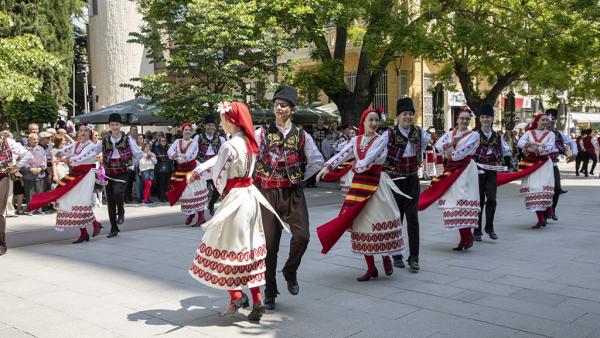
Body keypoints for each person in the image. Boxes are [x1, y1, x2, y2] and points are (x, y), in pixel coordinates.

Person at [189, 101, 285, 322]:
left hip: (235, 200)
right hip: (251, 197)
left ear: (230, 120)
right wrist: (199, 171)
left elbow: (218, 175)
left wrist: (223, 193)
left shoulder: (228, 146)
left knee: (224, 246)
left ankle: (235, 296)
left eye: (222, 119)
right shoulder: (251, 143)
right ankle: (256, 297)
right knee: (248, 249)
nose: (221, 124)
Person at [254, 85, 324, 310]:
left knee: (302, 236)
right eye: (275, 105)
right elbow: (248, 155)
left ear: (291, 109)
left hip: (292, 192)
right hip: (267, 194)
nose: (278, 108)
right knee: (270, 245)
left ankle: (290, 270)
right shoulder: (262, 133)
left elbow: (317, 161)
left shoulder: (302, 136)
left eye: (282, 105)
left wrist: (300, 177)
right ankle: (270, 291)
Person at [316, 108, 407, 281]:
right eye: (370, 120)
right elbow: (342, 155)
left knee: (379, 221)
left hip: (376, 187)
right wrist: (327, 167)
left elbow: (371, 161)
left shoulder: (382, 141)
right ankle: (371, 268)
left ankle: (386, 257)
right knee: (362, 224)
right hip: (359, 187)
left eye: (376, 120)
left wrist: (358, 166)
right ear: (363, 122)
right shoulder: (356, 140)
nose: (373, 123)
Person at [27, 124, 103, 243]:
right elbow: (61, 151)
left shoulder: (92, 146)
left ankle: (92, 227)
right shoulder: (76, 144)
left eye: (85, 131)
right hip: (77, 173)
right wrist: (59, 153)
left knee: (81, 202)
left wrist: (68, 158)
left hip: (87, 174)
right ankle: (87, 230)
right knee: (67, 198)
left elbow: (81, 158)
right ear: (78, 133)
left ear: (90, 134)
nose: (82, 133)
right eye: (81, 131)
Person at [418, 108, 480, 250]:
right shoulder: (450, 134)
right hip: (451, 169)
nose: (464, 121)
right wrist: (451, 143)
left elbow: (466, 151)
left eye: (466, 118)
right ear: (457, 120)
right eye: (461, 118)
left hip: (466, 169)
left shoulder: (474, 135)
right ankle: (463, 237)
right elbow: (438, 147)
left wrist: (451, 155)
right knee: (454, 202)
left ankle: (467, 236)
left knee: (464, 200)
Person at [384, 98, 430, 271]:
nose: (408, 117)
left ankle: (414, 257)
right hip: (395, 181)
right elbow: (381, 153)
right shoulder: (389, 134)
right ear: (398, 117)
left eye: (410, 114)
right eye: (405, 114)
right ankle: (396, 254)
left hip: (412, 179)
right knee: (396, 218)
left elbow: (424, 146)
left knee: (412, 217)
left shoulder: (419, 132)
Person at [498, 113, 556, 229]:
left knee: (544, 188)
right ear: (537, 121)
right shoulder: (529, 133)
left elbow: (549, 148)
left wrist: (534, 148)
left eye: (546, 120)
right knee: (534, 188)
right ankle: (541, 219)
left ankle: (548, 209)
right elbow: (520, 143)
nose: (545, 122)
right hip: (530, 163)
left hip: (544, 163)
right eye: (543, 120)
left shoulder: (551, 134)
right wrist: (531, 144)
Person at [472, 104, 512, 242]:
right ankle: (477, 229)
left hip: (492, 170)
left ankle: (489, 227)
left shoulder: (497, 136)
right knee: (479, 201)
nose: (485, 119)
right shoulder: (474, 135)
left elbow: (506, 150)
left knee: (492, 200)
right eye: (482, 117)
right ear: (479, 119)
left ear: (492, 118)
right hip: (477, 171)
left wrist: (508, 165)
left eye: (487, 117)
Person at [101, 113, 143, 238]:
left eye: (117, 124)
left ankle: (122, 209)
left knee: (118, 192)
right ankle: (114, 228)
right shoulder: (105, 140)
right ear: (109, 126)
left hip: (122, 171)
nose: (115, 127)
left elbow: (139, 153)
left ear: (121, 125)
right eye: (113, 124)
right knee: (110, 201)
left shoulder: (127, 139)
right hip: (109, 171)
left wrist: (131, 164)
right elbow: (93, 150)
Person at [166, 123, 208, 226]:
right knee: (184, 193)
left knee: (194, 192)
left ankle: (201, 217)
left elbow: (188, 156)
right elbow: (170, 150)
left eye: (189, 130)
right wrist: (173, 154)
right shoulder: (177, 141)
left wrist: (177, 156)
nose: (188, 132)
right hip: (181, 169)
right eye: (186, 130)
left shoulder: (194, 143)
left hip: (192, 169)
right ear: (182, 131)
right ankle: (191, 214)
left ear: (191, 131)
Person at [0, 133, 33, 255]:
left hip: (1, 178)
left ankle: (1, 245)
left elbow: (27, 154)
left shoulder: (6, 141)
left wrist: (14, 167)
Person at [545, 108, 576, 221]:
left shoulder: (558, 133)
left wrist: (574, 153)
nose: (550, 121)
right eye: (548, 118)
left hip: (552, 164)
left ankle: (552, 210)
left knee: (556, 188)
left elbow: (571, 142)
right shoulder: (537, 131)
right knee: (542, 190)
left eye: (553, 119)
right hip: (539, 165)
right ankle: (542, 215)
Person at [196, 115, 226, 215]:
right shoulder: (198, 137)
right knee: (201, 190)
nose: (211, 127)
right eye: (209, 125)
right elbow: (193, 150)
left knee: (218, 188)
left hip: (214, 166)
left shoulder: (220, 139)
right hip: (202, 165)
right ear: (205, 126)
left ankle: (211, 204)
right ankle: (200, 214)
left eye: (213, 125)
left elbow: (224, 152)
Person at [22, 133, 47, 215]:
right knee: (30, 193)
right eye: (34, 139)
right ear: (29, 140)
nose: (36, 141)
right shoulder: (23, 149)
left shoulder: (41, 149)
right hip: (28, 175)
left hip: (39, 174)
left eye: (37, 139)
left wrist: (41, 168)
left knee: (39, 192)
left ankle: (39, 209)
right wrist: (30, 168)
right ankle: (30, 210)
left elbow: (44, 160)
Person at [153, 136, 172, 203]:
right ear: (159, 141)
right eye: (162, 141)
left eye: (164, 141)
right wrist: (167, 157)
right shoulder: (157, 148)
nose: (163, 142)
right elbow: (160, 158)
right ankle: (161, 197)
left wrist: (165, 157)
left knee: (167, 183)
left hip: (169, 168)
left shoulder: (168, 147)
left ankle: (166, 196)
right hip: (161, 168)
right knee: (161, 183)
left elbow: (171, 157)